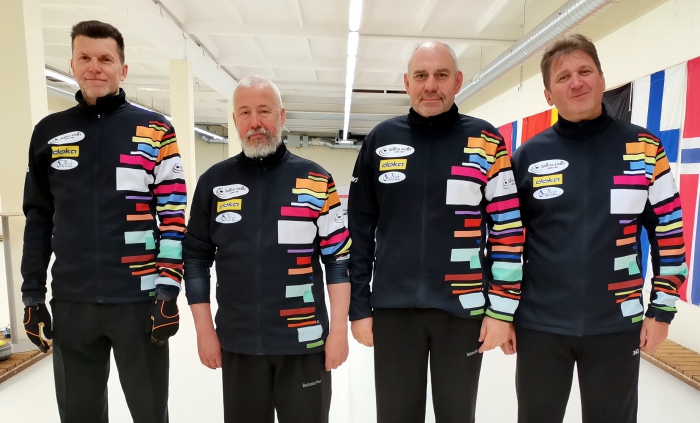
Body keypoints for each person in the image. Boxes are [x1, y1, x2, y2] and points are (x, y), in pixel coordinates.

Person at [507, 34, 686, 423]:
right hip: (539, 326)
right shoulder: (526, 158)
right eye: (563, 76)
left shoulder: (644, 148)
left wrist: (662, 310)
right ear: (548, 95)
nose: (576, 82)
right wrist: (502, 311)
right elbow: (504, 241)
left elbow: (669, 232)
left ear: (602, 79)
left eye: (585, 71)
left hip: (617, 325)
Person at [348, 41, 524, 423]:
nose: (431, 85)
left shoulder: (486, 141)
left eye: (441, 75)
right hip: (394, 312)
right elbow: (358, 231)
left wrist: (502, 309)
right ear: (407, 83)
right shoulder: (380, 140)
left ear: (457, 81)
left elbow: (508, 229)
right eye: (421, 75)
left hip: (462, 313)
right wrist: (358, 307)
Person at [21, 20, 186, 423]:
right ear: (73, 65)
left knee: (150, 414)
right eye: (85, 57)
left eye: (105, 59)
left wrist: (168, 289)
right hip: (73, 303)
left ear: (122, 69)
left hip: (139, 301)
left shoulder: (156, 130)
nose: (94, 67)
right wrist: (32, 297)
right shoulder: (48, 132)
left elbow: (173, 215)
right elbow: (38, 219)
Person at [183, 75, 351, 423]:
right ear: (235, 120)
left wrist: (338, 332)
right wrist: (204, 330)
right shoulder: (213, 183)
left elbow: (337, 260)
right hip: (239, 345)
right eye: (245, 112)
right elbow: (196, 259)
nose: (255, 122)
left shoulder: (317, 180)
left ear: (281, 116)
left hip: (304, 344)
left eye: (264, 111)